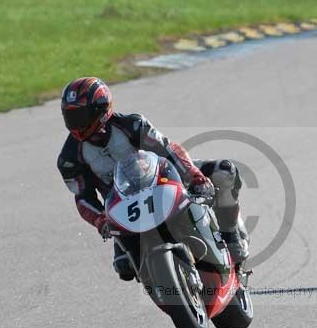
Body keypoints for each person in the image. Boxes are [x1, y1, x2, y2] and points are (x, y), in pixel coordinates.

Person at [56, 77, 249, 280]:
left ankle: (230, 234)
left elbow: (168, 150)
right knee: (125, 267)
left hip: (164, 182)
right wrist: (100, 219)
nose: (75, 123)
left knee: (224, 172)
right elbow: (82, 197)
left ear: (101, 109)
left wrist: (193, 175)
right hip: (125, 211)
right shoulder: (69, 158)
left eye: (80, 115)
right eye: (70, 116)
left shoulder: (132, 124)